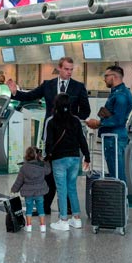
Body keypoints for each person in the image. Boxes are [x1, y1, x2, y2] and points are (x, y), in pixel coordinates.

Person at [7, 57, 91, 214]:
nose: (69, 72)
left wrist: (69, 118)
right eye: (66, 69)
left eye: (71, 69)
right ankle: (45, 207)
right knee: (49, 173)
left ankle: (68, 210)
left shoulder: (78, 87)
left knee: (66, 177)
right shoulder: (48, 85)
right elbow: (30, 95)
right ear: (59, 68)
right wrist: (15, 93)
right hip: (51, 135)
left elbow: (86, 111)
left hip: (69, 136)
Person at [45, 93, 91, 231]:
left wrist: (47, 156)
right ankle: (76, 219)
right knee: (72, 188)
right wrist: (87, 157)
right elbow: (82, 140)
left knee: (61, 189)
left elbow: (49, 143)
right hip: (74, 159)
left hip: (59, 159)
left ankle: (63, 220)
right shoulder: (75, 121)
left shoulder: (52, 121)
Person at [86, 65, 132, 181]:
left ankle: (120, 197)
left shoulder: (121, 95)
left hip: (114, 138)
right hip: (112, 137)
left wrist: (98, 123)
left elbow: (118, 119)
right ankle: (120, 196)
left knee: (116, 172)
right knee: (115, 170)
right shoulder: (117, 92)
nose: (104, 79)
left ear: (114, 77)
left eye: (106, 76)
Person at [10, 146, 50, 233]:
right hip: (40, 192)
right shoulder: (42, 166)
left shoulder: (24, 168)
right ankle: (42, 226)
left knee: (29, 209)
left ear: (27, 156)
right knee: (41, 209)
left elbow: (19, 181)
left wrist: (13, 190)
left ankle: (29, 226)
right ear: (38, 155)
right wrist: (45, 161)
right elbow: (48, 171)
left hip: (28, 193)